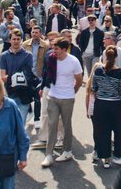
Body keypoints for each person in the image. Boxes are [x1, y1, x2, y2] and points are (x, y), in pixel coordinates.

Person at [40, 37, 83, 167]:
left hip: (67, 98)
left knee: (66, 124)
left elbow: (79, 80)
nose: (54, 51)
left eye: (57, 48)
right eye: (53, 48)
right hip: (52, 96)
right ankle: (49, 154)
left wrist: (72, 92)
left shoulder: (73, 61)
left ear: (64, 49)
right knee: (52, 123)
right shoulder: (51, 58)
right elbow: (45, 74)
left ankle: (67, 151)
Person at [88, 46, 121, 168]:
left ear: (104, 56)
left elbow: (93, 88)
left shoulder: (97, 71)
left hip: (101, 104)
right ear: (116, 57)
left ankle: (105, 158)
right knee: (118, 131)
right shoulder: (119, 73)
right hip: (116, 105)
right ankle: (118, 156)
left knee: (103, 131)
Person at [0, 29, 36, 124]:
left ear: (21, 40)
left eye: (18, 39)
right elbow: (3, 76)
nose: (16, 41)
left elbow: (29, 74)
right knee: (11, 122)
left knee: (21, 124)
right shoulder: (4, 56)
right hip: (10, 92)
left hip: (24, 93)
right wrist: (14, 77)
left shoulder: (28, 55)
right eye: (14, 39)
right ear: (9, 40)